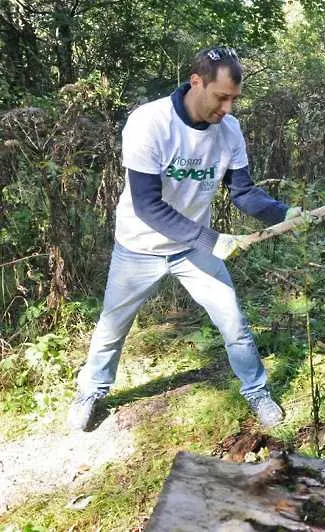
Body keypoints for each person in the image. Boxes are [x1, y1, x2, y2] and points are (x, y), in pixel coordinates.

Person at [67, 47, 301, 431]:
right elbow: (147, 205)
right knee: (112, 327)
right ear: (197, 82)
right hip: (138, 246)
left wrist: (283, 213)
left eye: (234, 99)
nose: (227, 108)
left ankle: (256, 391)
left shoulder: (229, 131)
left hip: (193, 248)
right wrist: (210, 238)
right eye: (220, 97)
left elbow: (243, 192)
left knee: (234, 323)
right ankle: (91, 390)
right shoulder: (150, 123)